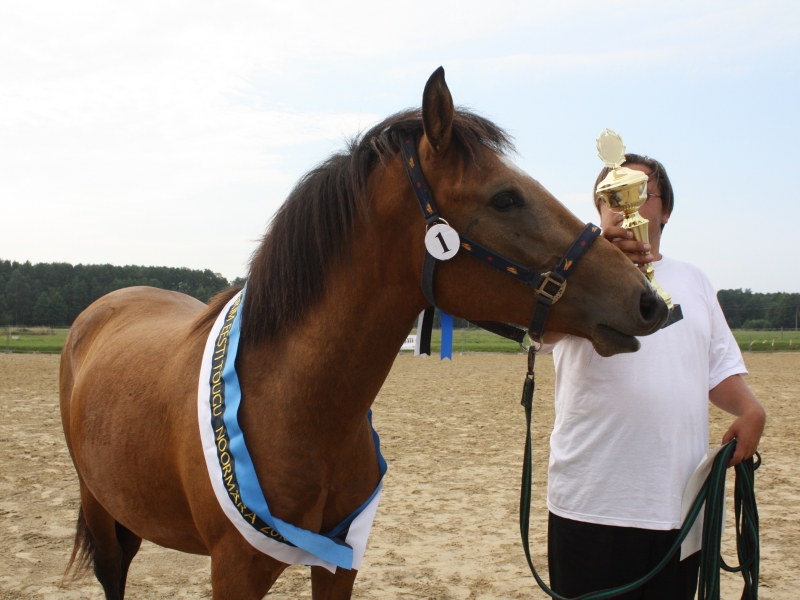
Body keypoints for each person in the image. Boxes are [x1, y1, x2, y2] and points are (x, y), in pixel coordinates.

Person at [540, 154, 766, 598]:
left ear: (665, 210)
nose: (625, 204)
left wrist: (749, 408)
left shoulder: (694, 280)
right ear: (599, 208)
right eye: (612, 195)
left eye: (641, 193)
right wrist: (589, 269)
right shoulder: (573, 274)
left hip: (678, 506)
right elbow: (538, 331)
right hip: (590, 502)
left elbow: (717, 365)